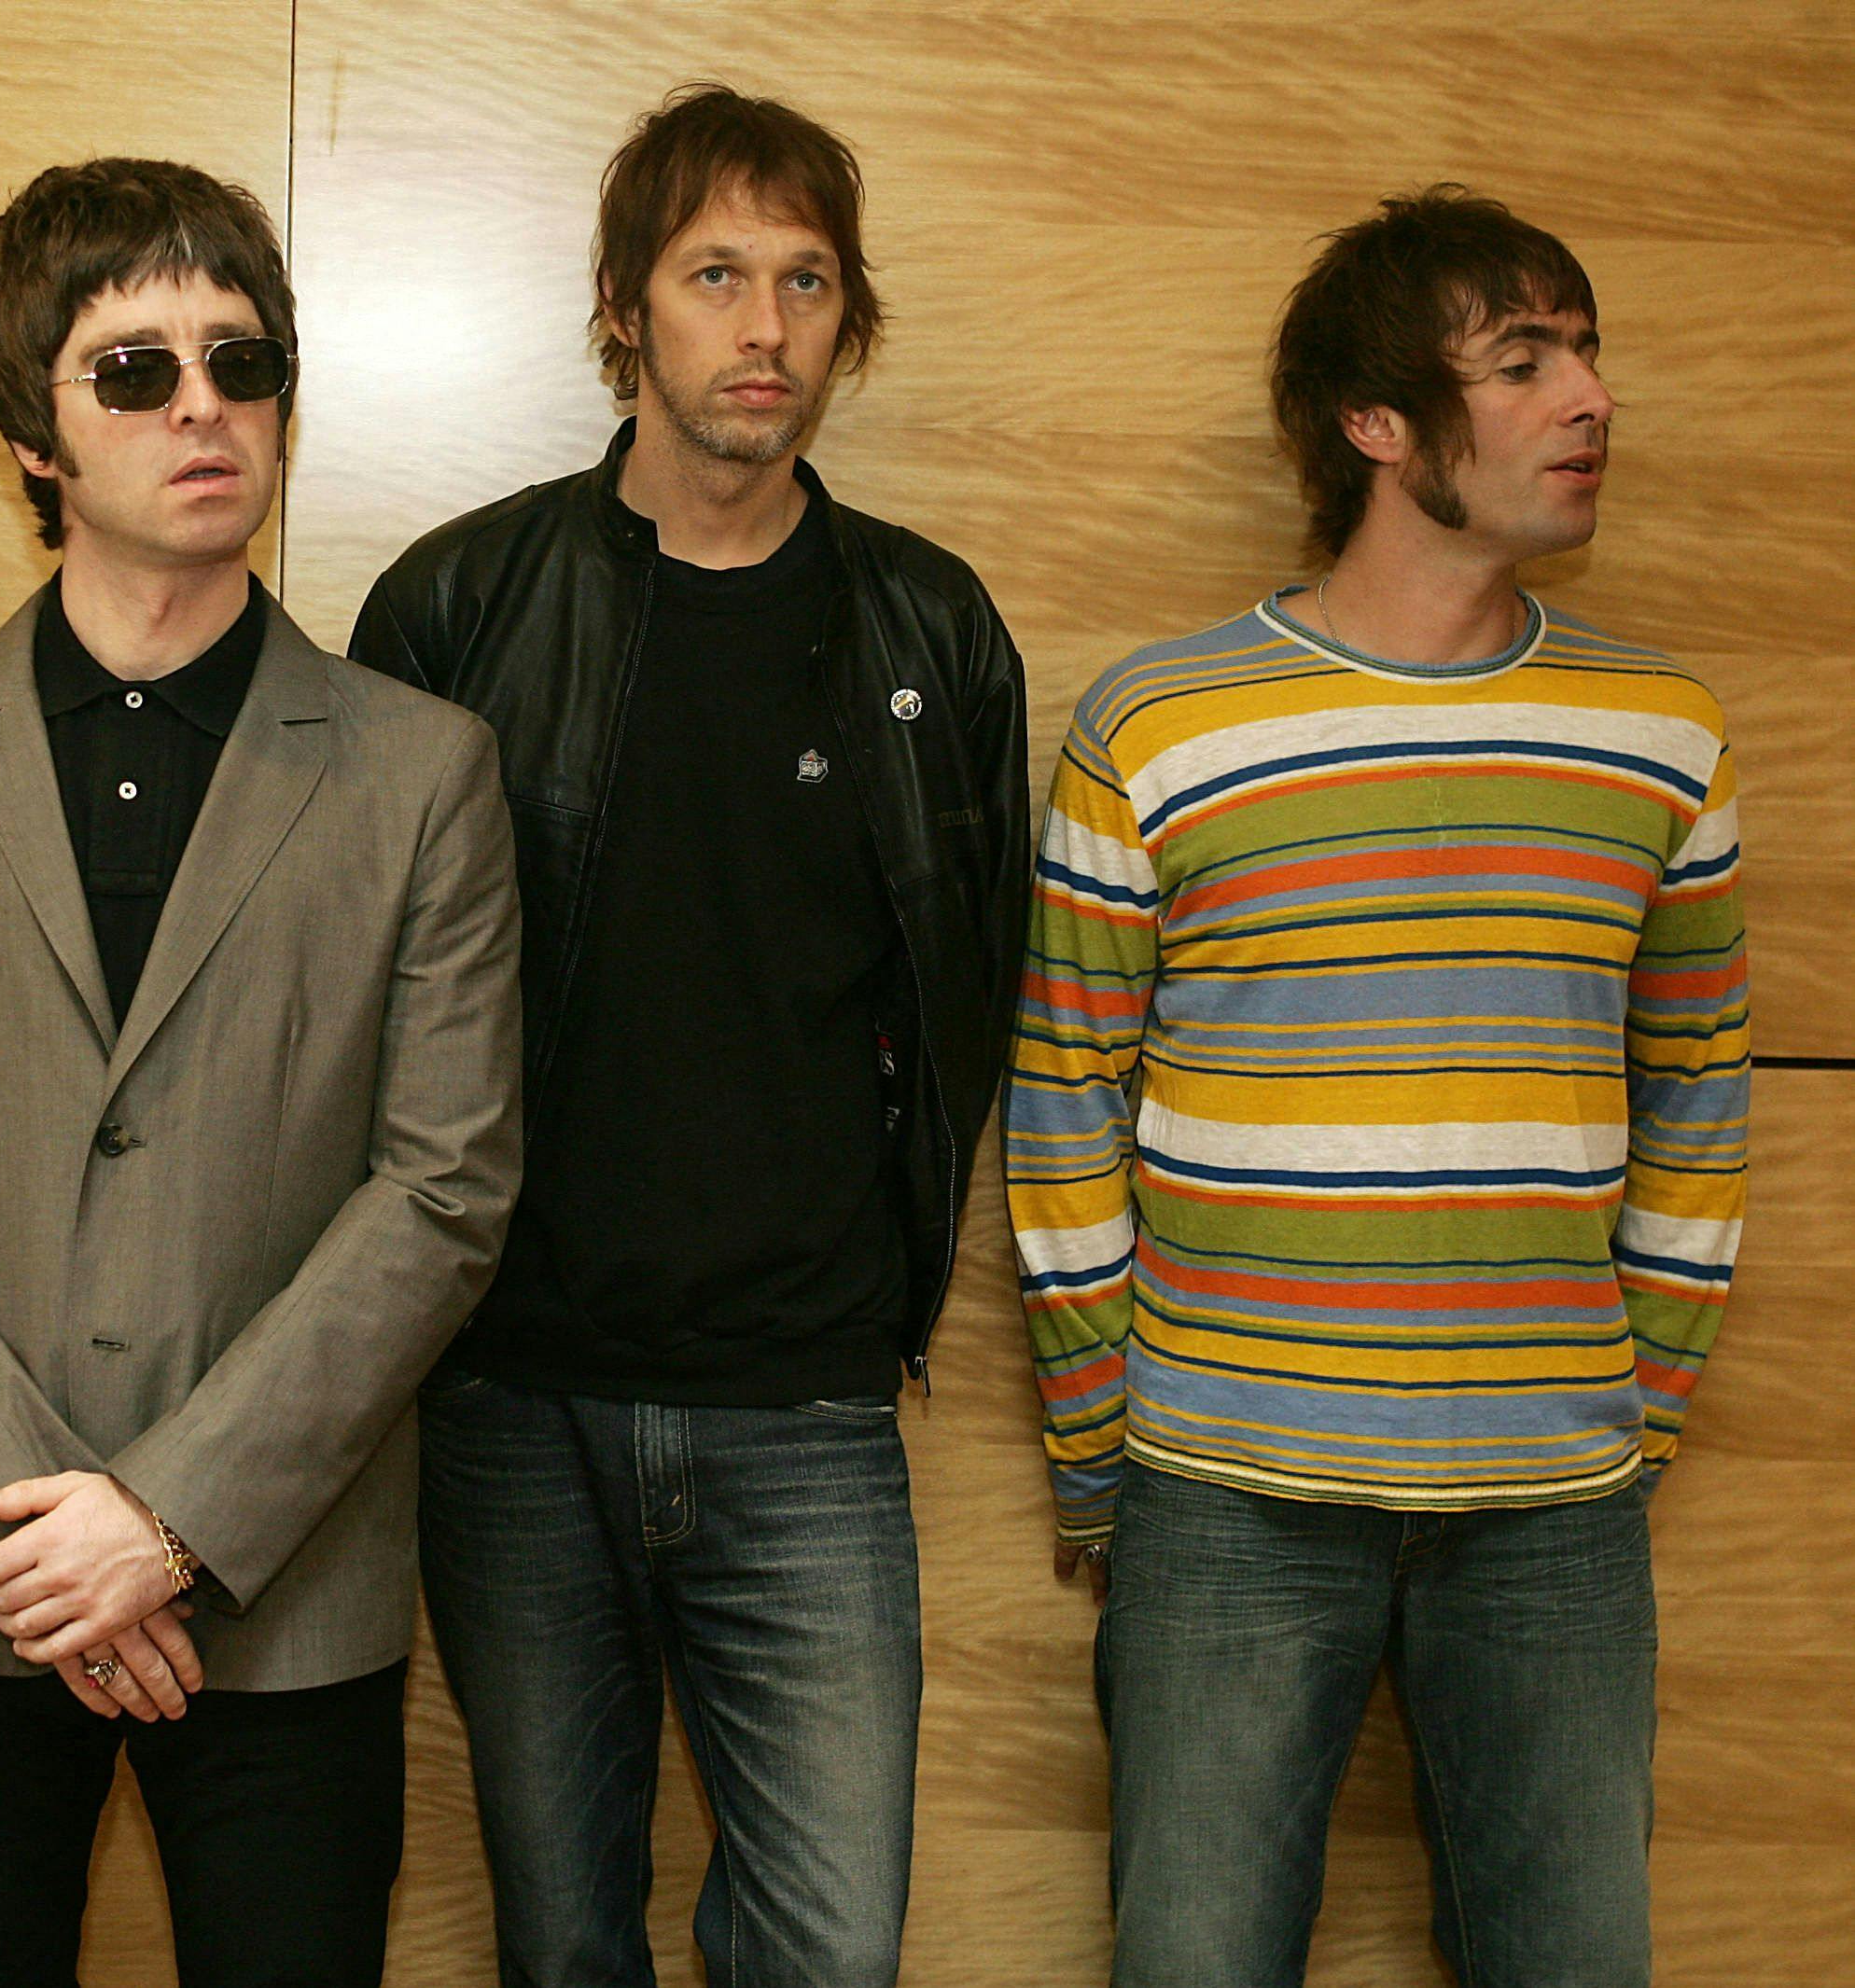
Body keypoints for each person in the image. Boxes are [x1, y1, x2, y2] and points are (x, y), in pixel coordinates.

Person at [0, 155, 523, 1986]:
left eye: (242, 362)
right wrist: (51, 1537)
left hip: (283, 1602)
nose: (204, 406)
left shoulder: (425, 773)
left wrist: (168, 1522)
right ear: (34, 432)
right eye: (134, 369)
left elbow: (444, 1188)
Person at [1007, 185, 1749, 1987]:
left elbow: (1703, 1108)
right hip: (1227, 1494)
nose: (1589, 399)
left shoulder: (1665, 737)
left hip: (1557, 1514)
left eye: (1585, 350)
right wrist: (1109, 1448)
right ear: (1380, 424)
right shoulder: (1163, 726)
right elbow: (1061, 1109)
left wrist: (1630, 1418)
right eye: (1525, 361)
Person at [350, 84, 1029, 1988]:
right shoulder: (459, 609)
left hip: (807, 1409)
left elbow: (967, 998)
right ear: (624, 308)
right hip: (512, 1406)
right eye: (716, 271)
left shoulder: (934, 633)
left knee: (830, 1951)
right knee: (566, 1945)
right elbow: (361, 1011)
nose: (765, 325)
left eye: (807, 280)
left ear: (849, 321)